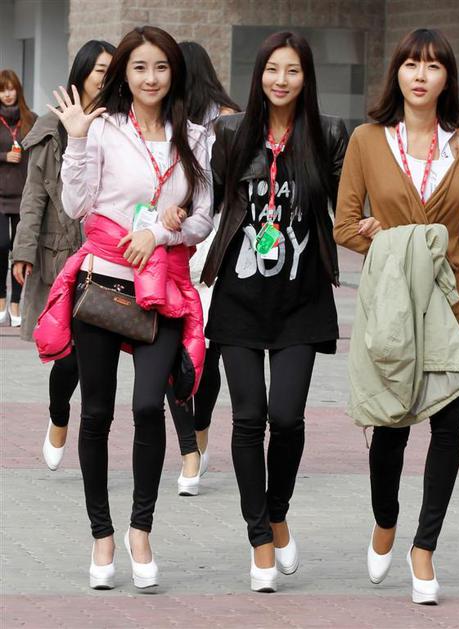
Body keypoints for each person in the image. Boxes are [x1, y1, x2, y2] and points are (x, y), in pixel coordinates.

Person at [334, 28, 459, 605]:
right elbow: (343, 225)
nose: (420, 75)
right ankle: (386, 520)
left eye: (433, 66)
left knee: (449, 423)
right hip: (392, 302)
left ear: (446, 78)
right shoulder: (366, 140)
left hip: (452, 298)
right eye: (411, 64)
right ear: (398, 73)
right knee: (391, 426)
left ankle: (424, 548)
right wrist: (381, 238)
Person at [41, 25, 212, 590]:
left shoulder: (195, 136)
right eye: (139, 67)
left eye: (160, 66)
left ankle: (141, 530)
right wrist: (76, 140)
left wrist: (160, 234)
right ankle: (102, 536)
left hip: (162, 290)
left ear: (174, 73)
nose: (150, 78)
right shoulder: (104, 129)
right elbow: (76, 205)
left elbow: (203, 217)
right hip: (104, 284)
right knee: (96, 412)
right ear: (125, 74)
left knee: (146, 407)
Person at [201, 31, 348, 592]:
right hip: (239, 298)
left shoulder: (328, 134)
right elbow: (207, 202)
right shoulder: (231, 133)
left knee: (285, 418)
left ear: (306, 78)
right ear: (258, 74)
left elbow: (349, 203)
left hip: (301, 299)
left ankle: (277, 510)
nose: (281, 80)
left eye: (292, 70)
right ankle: (260, 536)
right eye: (272, 69)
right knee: (248, 418)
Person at [12, 40, 116, 472]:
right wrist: (23, 251)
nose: (106, 79)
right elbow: (34, 196)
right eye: (100, 70)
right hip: (60, 255)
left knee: (97, 355)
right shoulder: (52, 126)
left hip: (108, 255)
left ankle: (92, 438)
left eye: (112, 71)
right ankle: (59, 416)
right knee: (68, 354)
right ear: (83, 73)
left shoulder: (120, 123)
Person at [167, 40, 239, 496]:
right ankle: (196, 442)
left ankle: (196, 442)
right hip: (203, 243)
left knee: (194, 350)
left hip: (198, 243)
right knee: (197, 350)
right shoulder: (227, 117)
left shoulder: (216, 121)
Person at [0, 70, 37, 326]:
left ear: (18, 90)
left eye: (11, 88)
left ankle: (16, 304)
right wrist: (4, 156)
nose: (7, 94)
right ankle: (1, 299)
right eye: (3, 90)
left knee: (20, 250)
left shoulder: (30, 119)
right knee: (1, 246)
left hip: (25, 196)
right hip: (0, 197)